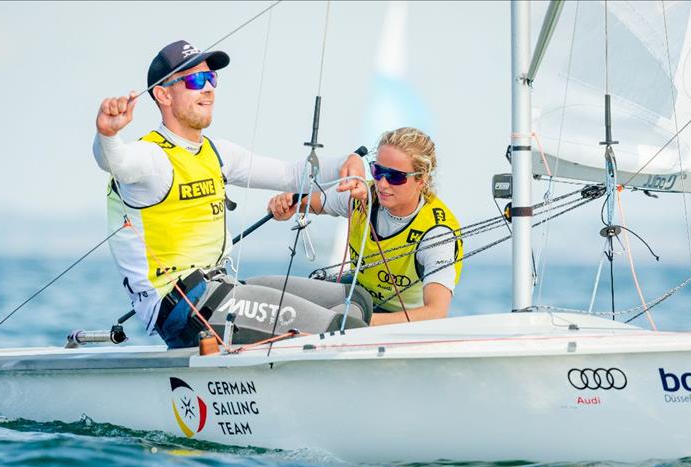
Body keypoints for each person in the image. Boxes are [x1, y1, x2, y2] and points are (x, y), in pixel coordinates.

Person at [94, 40, 371, 347]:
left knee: (356, 300)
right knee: (342, 326)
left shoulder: (218, 152)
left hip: (219, 289)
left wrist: (348, 161)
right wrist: (108, 134)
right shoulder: (152, 157)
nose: (209, 89)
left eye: (211, 79)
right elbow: (116, 162)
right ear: (163, 94)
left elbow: (291, 174)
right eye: (195, 80)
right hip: (182, 307)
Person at [268, 127, 462, 326]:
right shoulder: (362, 195)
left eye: (395, 177)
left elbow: (436, 313)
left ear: (421, 179)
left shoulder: (437, 233)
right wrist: (285, 204)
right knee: (291, 299)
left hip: (401, 321)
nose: (383, 184)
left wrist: (361, 322)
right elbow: (306, 203)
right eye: (377, 171)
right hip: (358, 298)